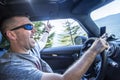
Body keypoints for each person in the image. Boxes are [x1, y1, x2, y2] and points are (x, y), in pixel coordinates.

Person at [0, 15, 109, 80]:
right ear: (12, 35)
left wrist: (47, 31)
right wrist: (93, 50)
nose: (34, 30)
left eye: (33, 26)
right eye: (28, 27)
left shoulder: (30, 49)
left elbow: (42, 42)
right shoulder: (11, 66)